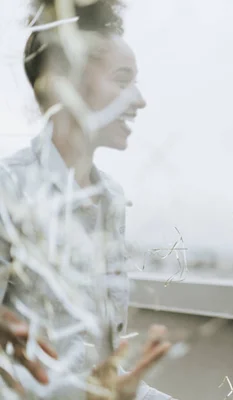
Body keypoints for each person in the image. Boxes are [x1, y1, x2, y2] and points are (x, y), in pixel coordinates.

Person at [0, 1, 174, 398]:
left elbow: (98, 357)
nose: (140, 99)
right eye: (122, 79)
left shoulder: (111, 198)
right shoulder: (8, 187)